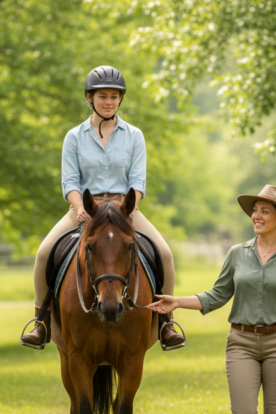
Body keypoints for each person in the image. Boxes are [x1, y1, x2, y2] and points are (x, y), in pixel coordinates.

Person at [20, 65, 185, 350]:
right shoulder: (74, 136)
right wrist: (79, 207)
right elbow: (70, 181)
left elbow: (138, 180)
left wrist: (130, 206)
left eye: (114, 96)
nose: (108, 101)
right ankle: (41, 320)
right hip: (85, 208)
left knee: (165, 255)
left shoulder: (134, 135)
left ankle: (166, 322)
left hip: (124, 209)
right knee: (43, 253)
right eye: (102, 96)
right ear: (89, 97)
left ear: (120, 99)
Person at [148, 184, 276, 414]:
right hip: (241, 344)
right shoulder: (237, 253)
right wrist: (177, 302)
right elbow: (217, 295)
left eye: (265, 211)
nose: (257, 216)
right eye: (255, 211)